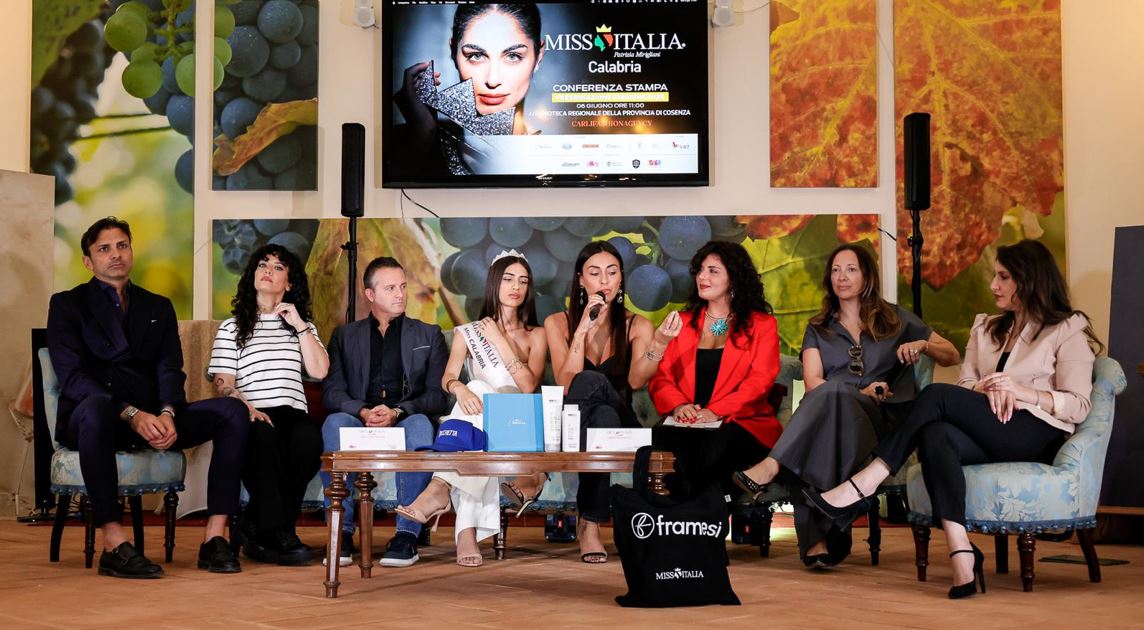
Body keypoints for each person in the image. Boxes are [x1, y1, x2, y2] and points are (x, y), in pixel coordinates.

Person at [803, 239, 1101, 598]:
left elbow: (1079, 405)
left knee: (935, 395)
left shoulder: (1066, 329)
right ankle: (961, 551)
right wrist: (986, 389)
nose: (993, 285)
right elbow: (965, 386)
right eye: (995, 276)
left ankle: (868, 479)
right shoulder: (987, 328)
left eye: (1003, 277)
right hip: (990, 428)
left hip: (1034, 432)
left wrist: (1022, 392)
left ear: (1029, 280)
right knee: (936, 433)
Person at [732, 244, 959, 567]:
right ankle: (824, 542)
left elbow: (952, 355)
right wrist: (857, 390)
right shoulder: (818, 327)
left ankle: (774, 465)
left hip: (880, 418)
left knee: (825, 408)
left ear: (866, 277)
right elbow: (813, 381)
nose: (842, 277)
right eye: (836, 270)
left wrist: (923, 344)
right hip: (832, 415)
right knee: (828, 412)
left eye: (851, 269)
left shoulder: (895, 318)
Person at [46, 217, 249, 577]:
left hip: (156, 418)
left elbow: (170, 368)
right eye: (104, 249)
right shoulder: (67, 304)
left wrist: (168, 412)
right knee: (95, 407)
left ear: (131, 251)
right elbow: (73, 377)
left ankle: (215, 537)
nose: (116, 254)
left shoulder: (157, 306)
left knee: (232, 410)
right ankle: (114, 544)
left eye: (122, 245)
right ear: (88, 261)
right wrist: (132, 414)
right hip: (98, 421)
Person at [395, 251, 548, 567]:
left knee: (479, 396)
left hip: (517, 424)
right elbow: (448, 377)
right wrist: (460, 388)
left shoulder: (536, 335)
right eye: (508, 279)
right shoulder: (469, 332)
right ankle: (465, 531)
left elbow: (528, 386)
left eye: (523, 281)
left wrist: (499, 341)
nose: (516, 287)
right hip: (479, 427)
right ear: (494, 283)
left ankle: (441, 490)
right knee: (475, 406)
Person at [544, 241, 681, 563]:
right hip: (585, 424)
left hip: (624, 426)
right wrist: (582, 331)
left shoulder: (637, 324)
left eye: (612, 272)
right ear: (581, 280)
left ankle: (582, 517)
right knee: (599, 410)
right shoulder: (557, 323)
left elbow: (635, 381)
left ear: (621, 279)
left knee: (595, 388)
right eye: (594, 273)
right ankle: (590, 523)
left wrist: (660, 344)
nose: (604, 280)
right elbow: (566, 383)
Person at [321, 257, 449, 568]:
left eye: (403, 286)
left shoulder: (428, 334)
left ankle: (407, 534)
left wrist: (398, 410)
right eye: (390, 288)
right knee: (334, 423)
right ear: (370, 294)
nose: (400, 294)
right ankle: (342, 533)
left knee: (421, 425)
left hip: (405, 417)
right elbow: (332, 392)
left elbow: (437, 395)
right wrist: (363, 411)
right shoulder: (344, 336)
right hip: (359, 419)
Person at [207, 244, 329, 566]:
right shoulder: (232, 327)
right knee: (264, 439)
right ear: (252, 275)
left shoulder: (303, 327)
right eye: (263, 264)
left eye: (278, 267)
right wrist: (247, 407)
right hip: (250, 413)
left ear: (289, 283)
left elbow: (319, 371)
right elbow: (223, 383)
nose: (268, 271)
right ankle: (281, 533)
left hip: (293, 413)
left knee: (308, 441)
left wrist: (300, 324)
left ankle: (254, 523)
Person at [648, 241, 781, 506]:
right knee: (662, 436)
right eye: (700, 270)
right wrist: (679, 406)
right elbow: (661, 377)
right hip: (687, 422)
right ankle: (678, 517)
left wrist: (715, 411)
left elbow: (759, 382)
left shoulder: (762, 325)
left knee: (716, 441)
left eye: (713, 271)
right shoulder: (680, 323)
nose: (702, 277)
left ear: (734, 279)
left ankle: (698, 515)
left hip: (740, 423)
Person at [394, 3, 545, 175]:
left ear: (538, 56)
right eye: (476, 56)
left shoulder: (555, 157)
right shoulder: (408, 143)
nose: (492, 80)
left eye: (513, 56)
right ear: (454, 53)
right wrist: (423, 133)